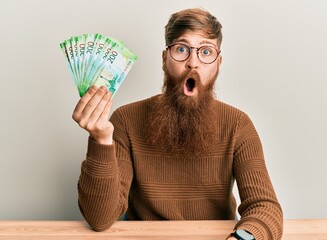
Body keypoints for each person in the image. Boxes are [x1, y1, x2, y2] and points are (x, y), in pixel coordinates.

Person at [72, 8, 283, 240]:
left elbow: (265, 207)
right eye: (182, 49)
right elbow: (100, 219)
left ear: (218, 63)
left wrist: (241, 239)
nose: (193, 63)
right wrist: (100, 140)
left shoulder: (238, 124)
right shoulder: (125, 120)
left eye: (205, 51)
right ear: (165, 59)